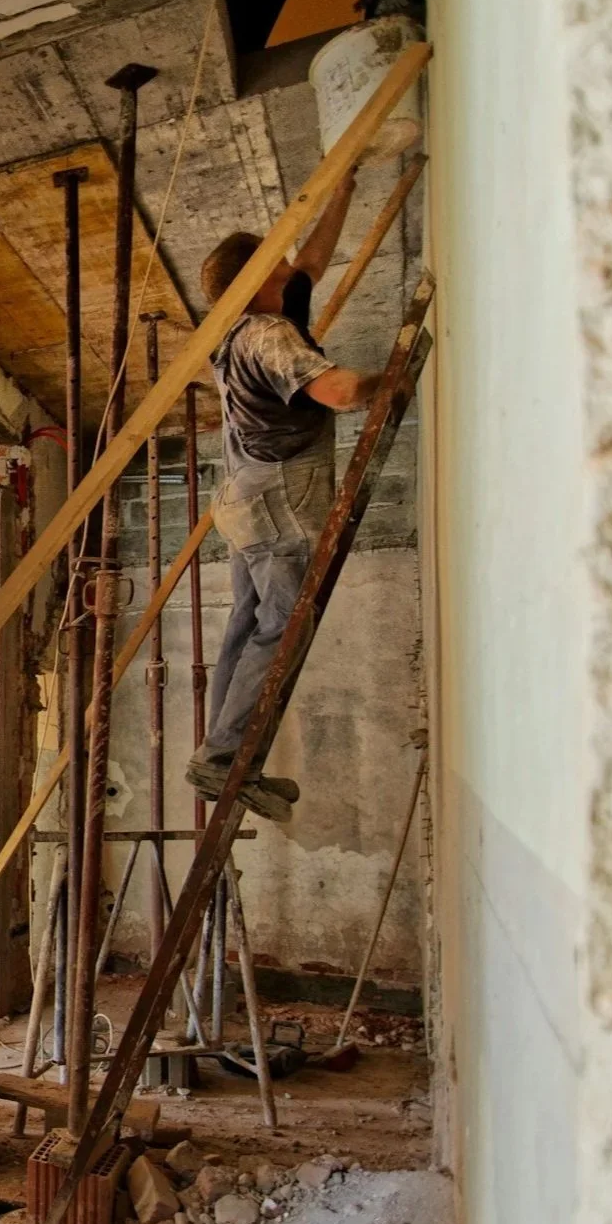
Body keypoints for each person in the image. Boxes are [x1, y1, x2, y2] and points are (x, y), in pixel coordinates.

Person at [187, 170, 384, 823]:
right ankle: (222, 762)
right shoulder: (266, 336)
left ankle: (222, 760)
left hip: (244, 499)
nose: (285, 260)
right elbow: (340, 393)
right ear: (256, 278)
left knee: (246, 628)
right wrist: (394, 375)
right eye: (272, 258)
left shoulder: (257, 317)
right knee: (278, 633)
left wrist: (343, 189)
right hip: (273, 505)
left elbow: (311, 262)